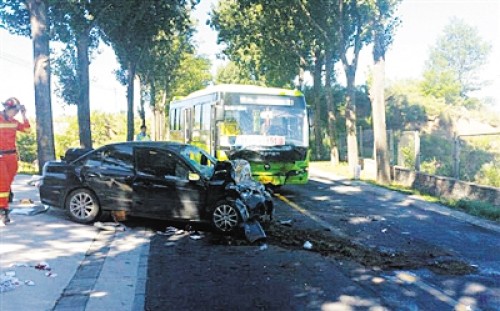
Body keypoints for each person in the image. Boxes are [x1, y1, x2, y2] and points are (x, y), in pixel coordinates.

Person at [0, 97, 30, 225]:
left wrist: (24, 115)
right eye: (15, 110)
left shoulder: (14, 121)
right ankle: (3, 210)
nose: (16, 113)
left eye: (18, 111)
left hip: (12, 157)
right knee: (4, 183)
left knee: (8, 183)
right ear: (7, 108)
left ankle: (4, 204)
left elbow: (27, 130)